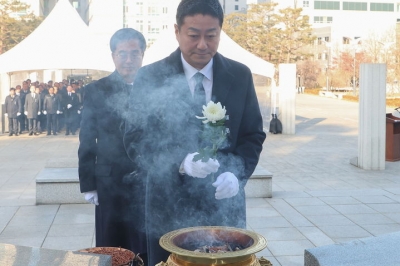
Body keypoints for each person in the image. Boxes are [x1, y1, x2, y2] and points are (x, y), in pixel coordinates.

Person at [123, 0, 266, 265]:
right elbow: (135, 140)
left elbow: (252, 136)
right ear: (177, 31)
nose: (202, 45)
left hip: (223, 206)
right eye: (193, 35)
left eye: (211, 36)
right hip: (167, 204)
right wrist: (180, 162)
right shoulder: (150, 77)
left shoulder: (240, 75)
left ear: (220, 32)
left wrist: (238, 174)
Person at [78, 28, 147, 264]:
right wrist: (89, 184)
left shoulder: (154, 90)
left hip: (145, 181)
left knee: (143, 243)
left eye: (134, 53)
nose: (128, 60)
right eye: (122, 53)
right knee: (111, 246)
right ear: (113, 55)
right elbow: (87, 138)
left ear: (143, 55)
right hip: (109, 183)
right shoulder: (97, 90)